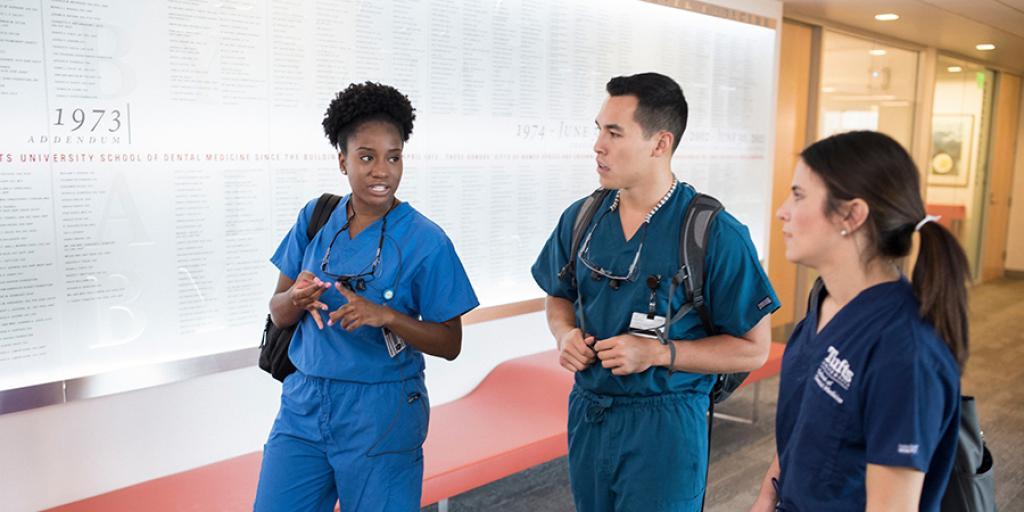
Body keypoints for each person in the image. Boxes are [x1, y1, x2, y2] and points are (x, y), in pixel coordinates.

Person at [531, 72, 779, 511]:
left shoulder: (713, 233)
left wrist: (658, 354)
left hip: (666, 423)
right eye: (598, 130)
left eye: (614, 132)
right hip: (590, 413)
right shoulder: (583, 217)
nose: (598, 146)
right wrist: (564, 334)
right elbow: (558, 293)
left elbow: (753, 350)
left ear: (659, 143)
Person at [254, 82, 479, 512]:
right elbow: (277, 311)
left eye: (393, 157)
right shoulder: (315, 216)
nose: (382, 171)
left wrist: (387, 316)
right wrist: (296, 299)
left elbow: (451, 343)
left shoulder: (426, 241)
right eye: (367, 157)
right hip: (303, 404)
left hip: (382, 413)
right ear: (343, 161)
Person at [751, 130, 965, 512]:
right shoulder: (825, 299)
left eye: (798, 195)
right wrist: (768, 496)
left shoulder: (905, 354)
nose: (782, 210)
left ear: (851, 215)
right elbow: (806, 423)